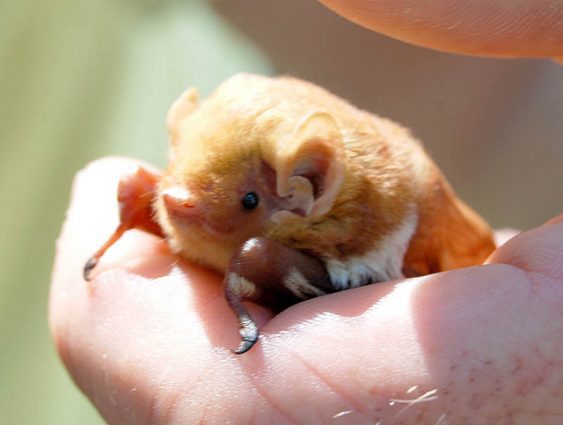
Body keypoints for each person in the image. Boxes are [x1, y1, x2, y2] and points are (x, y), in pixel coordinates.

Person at [50, 2, 563, 424]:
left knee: (254, 257)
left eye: (247, 201)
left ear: (310, 188)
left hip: (411, 260)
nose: (180, 204)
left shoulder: (381, 216)